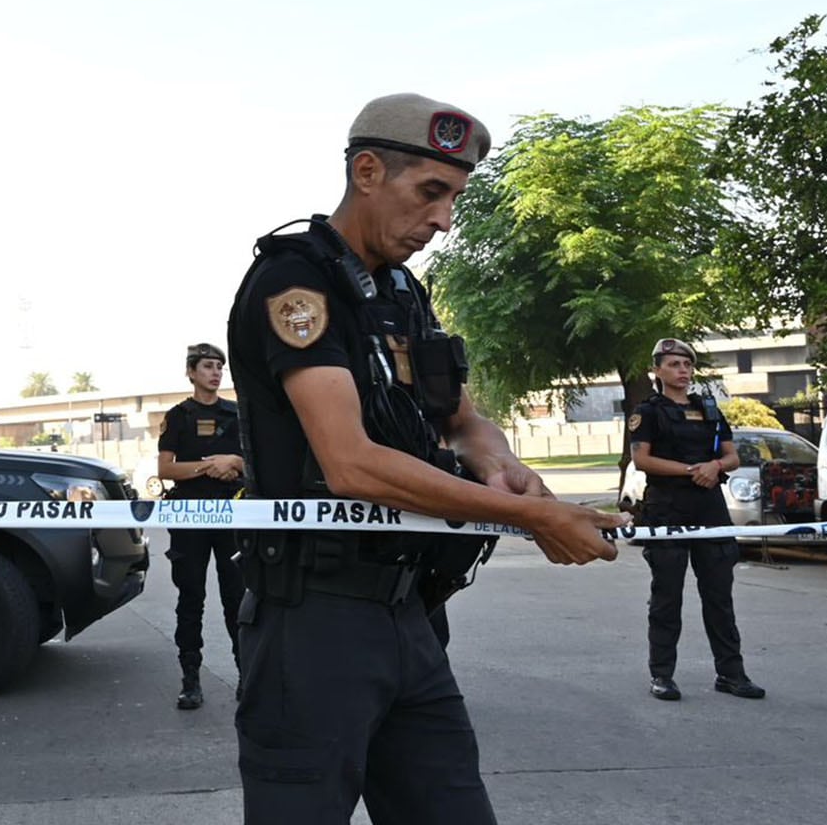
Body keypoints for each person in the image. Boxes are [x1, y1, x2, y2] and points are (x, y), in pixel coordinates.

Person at [226, 92, 628, 825]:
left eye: (455, 199)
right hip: (314, 620)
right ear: (369, 171)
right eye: (431, 193)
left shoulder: (402, 293)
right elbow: (351, 463)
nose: (444, 221)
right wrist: (531, 514)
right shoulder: (297, 284)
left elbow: (463, 419)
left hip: (409, 613)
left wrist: (501, 463)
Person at [630, 338, 765, 702]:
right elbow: (642, 460)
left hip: (710, 508)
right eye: (674, 364)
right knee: (667, 596)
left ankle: (731, 674)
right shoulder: (649, 412)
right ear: (657, 370)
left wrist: (715, 466)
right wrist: (693, 470)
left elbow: (732, 455)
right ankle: (662, 675)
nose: (683, 371)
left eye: (687, 364)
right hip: (667, 506)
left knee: (719, 595)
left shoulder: (708, 409)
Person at [156, 342, 247, 710]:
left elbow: (251, 462)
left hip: (230, 514)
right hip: (190, 514)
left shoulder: (236, 414)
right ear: (191, 372)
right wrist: (206, 467)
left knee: (236, 599)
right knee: (190, 597)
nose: (215, 373)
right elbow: (165, 469)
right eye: (208, 366)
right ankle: (190, 679)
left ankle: (247, 677)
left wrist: (233, 460)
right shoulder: (179, 416)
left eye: (219, 367)